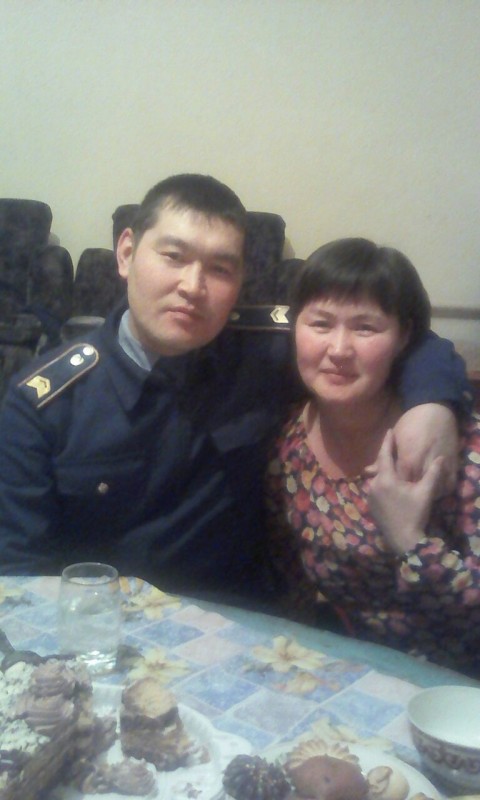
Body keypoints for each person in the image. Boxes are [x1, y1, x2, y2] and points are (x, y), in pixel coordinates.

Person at [0, 175, 472, 610]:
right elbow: (19, 574)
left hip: (242, 621)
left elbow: (401, 343)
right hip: (106, 629)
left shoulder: (263, 351)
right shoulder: (44, 404)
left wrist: (431, 403)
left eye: (220, 269)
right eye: (173, 257)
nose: (193, 287)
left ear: (241, 280)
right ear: (126, 253)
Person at [265, 237, 479, 675]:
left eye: (365, 328)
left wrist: (410, 541)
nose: (339, 349)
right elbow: (289, 579)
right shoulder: (287, 444)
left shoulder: (457, 450)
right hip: (345, 670)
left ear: (404, 337)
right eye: (320, 324)